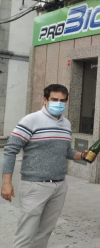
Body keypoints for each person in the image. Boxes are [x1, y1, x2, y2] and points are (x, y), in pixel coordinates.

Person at [1, 84, 88, 248]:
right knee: (25, 235)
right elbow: (10, 150)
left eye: (62, 100)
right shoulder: (30, 120)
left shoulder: (66, 124)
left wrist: (82, 155)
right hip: (35, 185)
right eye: (54, 99)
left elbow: (66, 151)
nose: (59, 103)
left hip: (59, 186)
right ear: (45, 100)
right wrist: (6, 182)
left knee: (44, 233)